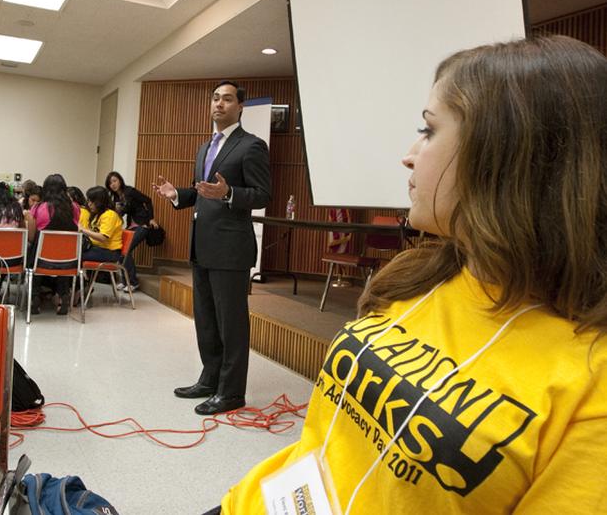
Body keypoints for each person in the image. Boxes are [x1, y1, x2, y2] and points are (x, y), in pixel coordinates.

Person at [219, 36, 607, 514]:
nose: (408, 155)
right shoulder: (415, 275)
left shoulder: (592, 383)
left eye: (427, 131)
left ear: (506, 157)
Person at [153, 80, 271, 415]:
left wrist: (230, 193)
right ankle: (210, 379)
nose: (219, 104)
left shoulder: (252, 146)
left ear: (240, 107)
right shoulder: (204, 148)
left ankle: (232, 393)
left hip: (231, 249)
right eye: (215, 98)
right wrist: (178, 195)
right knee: (205, 319)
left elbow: (262, 194)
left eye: (227, 99)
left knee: (231, 323)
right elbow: (202, 190)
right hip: (202, 245)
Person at [28, 174, 79, 314]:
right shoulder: (74, 207)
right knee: (62, 256)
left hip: (42, 260)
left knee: (34, 252)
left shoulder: (38, 208)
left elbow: (31, 237)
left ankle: (35, 296)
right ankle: (63, 296)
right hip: (69, 261)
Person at [105, 171, 157, 292]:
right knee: (122, 250)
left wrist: (151, 218)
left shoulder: (130, 191)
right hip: (131, 225)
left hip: (142, 224)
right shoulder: (116, 197)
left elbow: (148, 200)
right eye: (110, 183)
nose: (113, 184)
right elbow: (120, 213)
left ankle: (133, 282)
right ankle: (125, 281)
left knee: (126, 250)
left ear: (120, 180)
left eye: (114, 181)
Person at [79, 185, 124, 268]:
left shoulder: (109, 215)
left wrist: (83, 230)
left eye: (92, 202)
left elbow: (103, 237)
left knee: (75, 256)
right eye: (88, 201)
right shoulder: (97, 215)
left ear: (100, 201)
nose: (89, 204)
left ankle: (78, 280)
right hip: (98, 248)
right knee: (73, 252)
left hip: (110, 252)